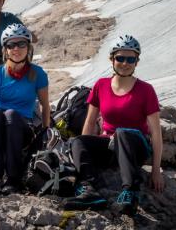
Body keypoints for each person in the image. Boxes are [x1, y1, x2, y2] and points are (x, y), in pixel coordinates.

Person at [63, 34, 164, 215]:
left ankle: (130, 192)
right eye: (120, 58)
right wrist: (87, 146)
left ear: (136, 62)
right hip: (110, 146)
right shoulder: (101, 85)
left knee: (122, 133)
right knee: (77, 141)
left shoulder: (146, 90)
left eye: (130, 59)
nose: (125, 63)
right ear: (112, 59)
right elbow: (90, 121)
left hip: (135, 147)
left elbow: (156, 134)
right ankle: (89, 190)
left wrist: (156, 171)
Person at [0, 23, 50, 195]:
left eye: (21, 44)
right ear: (5, 49)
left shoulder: (38, 74)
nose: (16, 49)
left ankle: (14, 179)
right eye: (11, 45)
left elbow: (45, 105)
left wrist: (45, 133)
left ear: (28, 47)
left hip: (21, 127)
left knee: (11, 114)